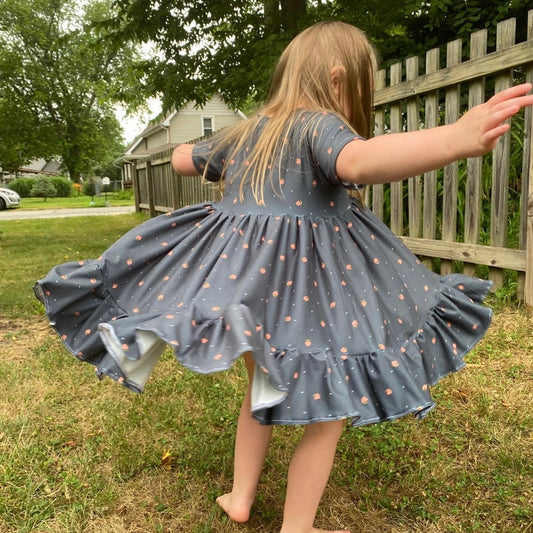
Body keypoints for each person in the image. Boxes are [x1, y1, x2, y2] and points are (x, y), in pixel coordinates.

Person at [34, 21, 533, 533]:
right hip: (314, 294)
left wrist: (192, 155)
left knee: (262, 387)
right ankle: (299, 526)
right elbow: (359, 162)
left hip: (252, 291)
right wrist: (455, 138)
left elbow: (186, 158)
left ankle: (241, 498)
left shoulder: (251, 131)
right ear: (339, 78)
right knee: (329, 410)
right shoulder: (319, 125)